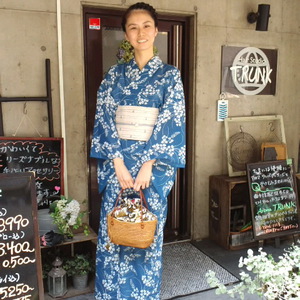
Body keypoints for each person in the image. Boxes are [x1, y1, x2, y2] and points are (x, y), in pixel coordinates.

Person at [90, 2, 186, 299]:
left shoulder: (170, 76)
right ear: (126, 34)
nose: (140, 32)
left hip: (150, 172)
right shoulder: (113, 75)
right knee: (113, 235)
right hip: (117, 168)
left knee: (146, 236)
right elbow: (104, 118)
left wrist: (148, 164)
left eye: (146, 26)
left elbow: (172, 120)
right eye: (133, 27)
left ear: (156, 31)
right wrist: (117, 162)